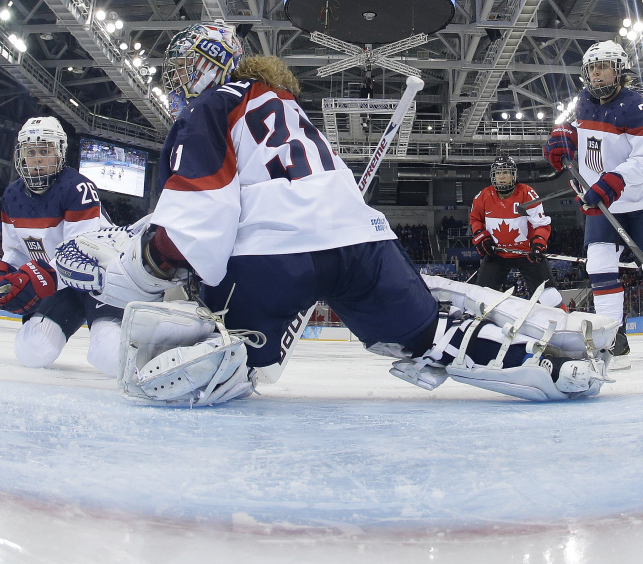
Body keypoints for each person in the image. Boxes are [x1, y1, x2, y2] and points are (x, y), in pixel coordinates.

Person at [54, 21, 617, 405]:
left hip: (273, 255)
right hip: (363, 241)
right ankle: (547, 364)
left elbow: (196, 222)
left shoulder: (211, 105)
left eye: (184, 66)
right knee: (426, 334)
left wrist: (141, 270)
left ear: (212, 64)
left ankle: (236, 350)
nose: (177, 78)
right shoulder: (285, 104)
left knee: (227, 351)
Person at [0, 116, 123, 377]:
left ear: (59, 153)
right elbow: (14, 250)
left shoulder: (77, 188)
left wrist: (38, 278)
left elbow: (82, 255)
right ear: (20, 155)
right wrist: (3, 272)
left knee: (110, 355)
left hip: (102, 284)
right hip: (63, 284)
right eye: (31, 152)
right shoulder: (12, 195)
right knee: (33, 351)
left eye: (45, 151)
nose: (37, 159)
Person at [544, 40, 640, 363]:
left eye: (604, 67)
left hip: (636, 200)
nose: (597, 74)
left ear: (619, 70)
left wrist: (614, 180)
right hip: (600, 201)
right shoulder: (584, 101)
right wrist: (563, 139)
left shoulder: (636, 106)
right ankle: (613, 338)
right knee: (599, 266)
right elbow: (576, 132)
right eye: (592, 69)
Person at [470, 156, 565, 309]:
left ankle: (564, 323)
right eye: (498, 173)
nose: (501, 177)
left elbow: (541, 224)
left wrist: (539, 242)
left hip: (527, 253)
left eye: (506, 172)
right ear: (492, 176)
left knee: (550, 297)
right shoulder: (483, 196)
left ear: (513, 175)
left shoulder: (527, 194)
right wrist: (482, 237)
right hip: (497, 254)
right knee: (481, 297)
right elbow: (475, 219)